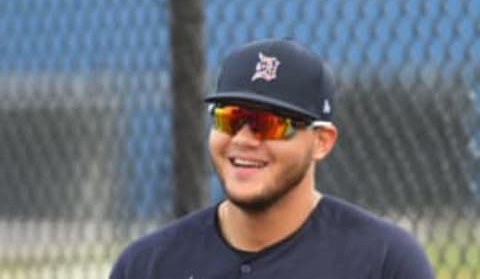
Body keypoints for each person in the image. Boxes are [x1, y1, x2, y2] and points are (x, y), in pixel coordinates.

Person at [109, 38, 435, 279]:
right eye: (230, 118)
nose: (244, 139)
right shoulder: (147, 266)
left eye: (271, 124)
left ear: (321, 141)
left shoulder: (384, 262)